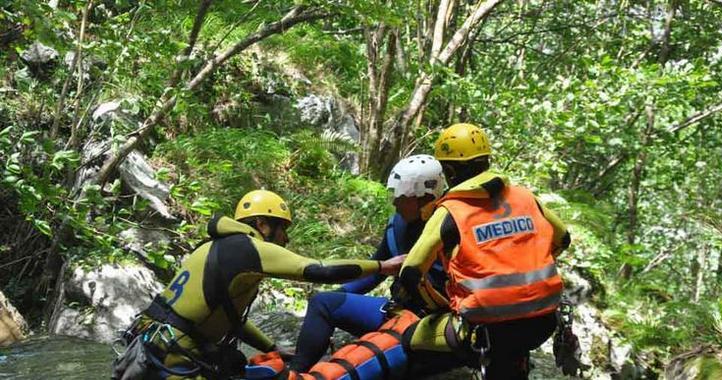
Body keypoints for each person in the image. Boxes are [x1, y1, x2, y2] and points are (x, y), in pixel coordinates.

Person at [111, 190, 405, 380]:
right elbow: (321, 270)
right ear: (263, 224)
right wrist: (383, 266)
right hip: (173, 357)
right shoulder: (248, 248)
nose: (285, 239)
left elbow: (231, 320)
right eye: (282, 229)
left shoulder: (211, 247)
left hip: (151, 348)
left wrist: (273, 347)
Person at [397, 123, 572, 380]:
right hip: (542, 322)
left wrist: (439, 304)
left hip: (486, 330)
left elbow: (410, 273)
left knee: (409, 340)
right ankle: (516, 362)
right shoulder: (525, 197)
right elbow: (563, 238)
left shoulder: (450, 211)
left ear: (451, 170)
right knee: (512, 345)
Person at [288, 154, 447, 372]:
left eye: (401, 195)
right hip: (398, 311)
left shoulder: (450, 227)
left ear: (424, 197)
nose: (394, 201)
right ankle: (295, 373)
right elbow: (376, 270)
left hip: (437, 324)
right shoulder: (398, 226)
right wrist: (342, 293)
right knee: (323, 303)